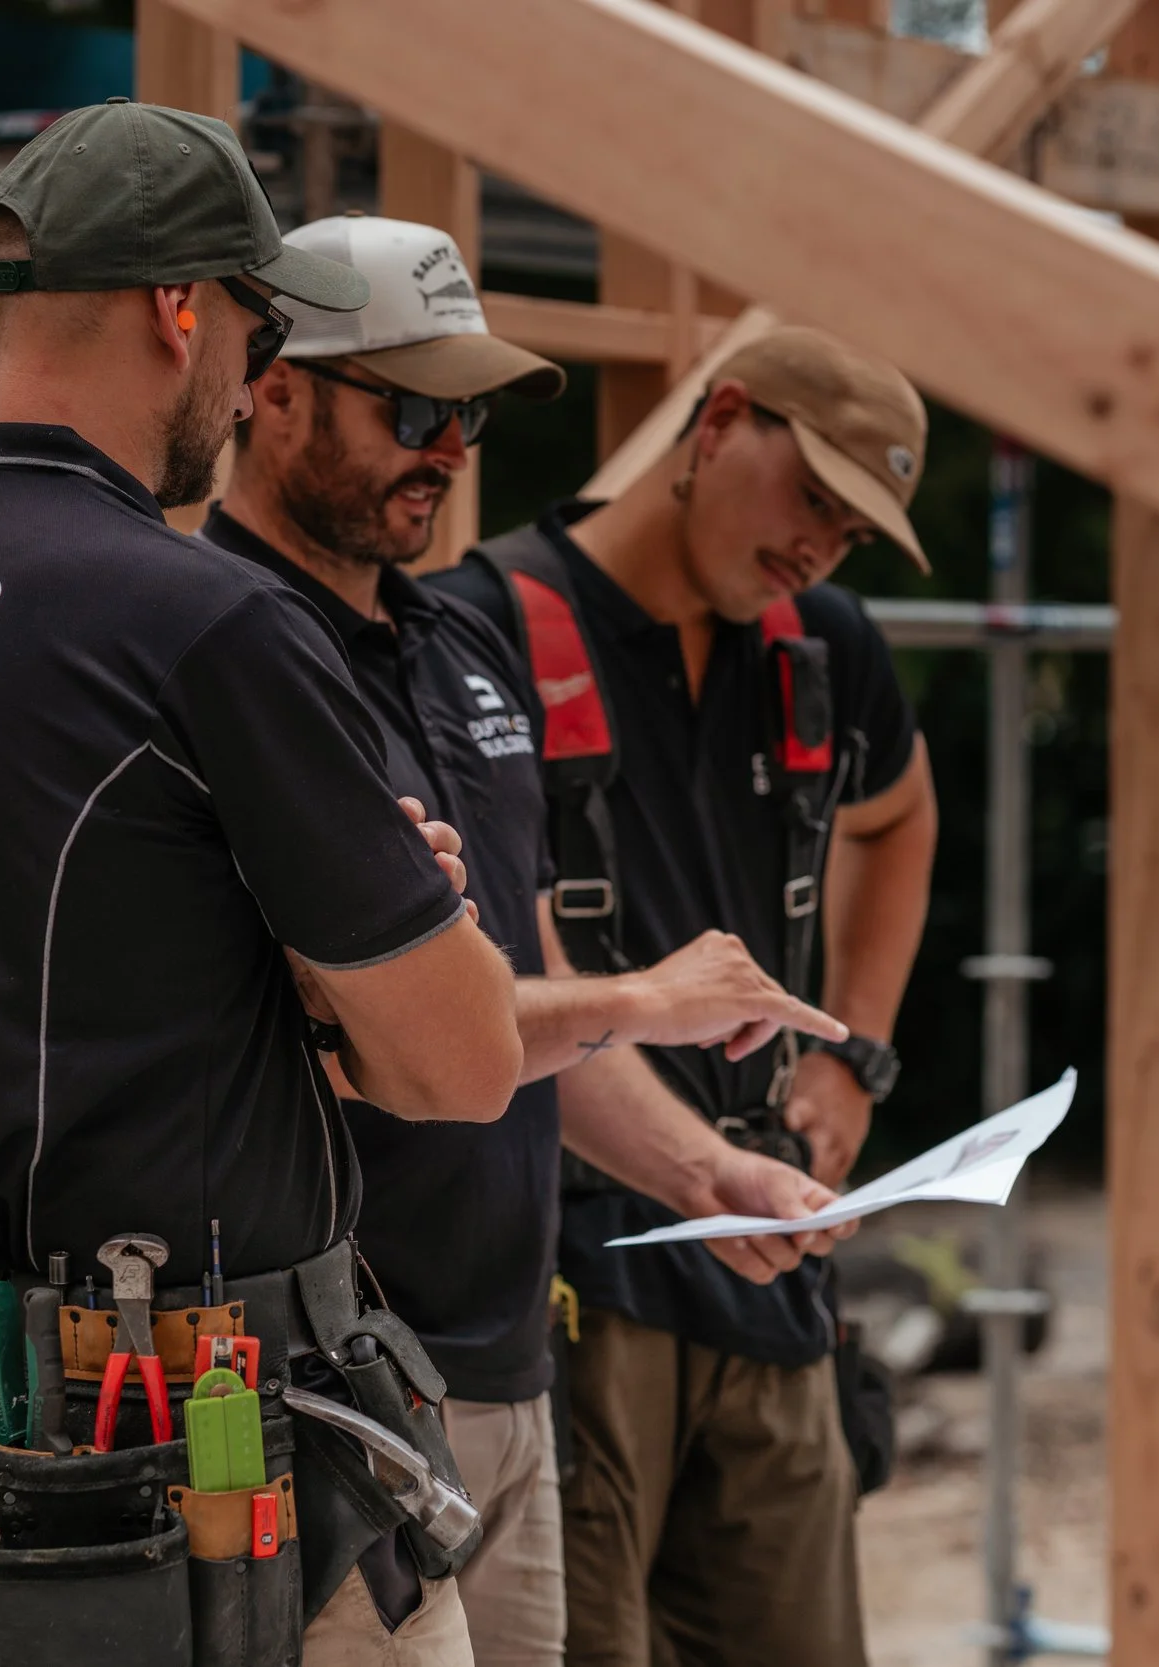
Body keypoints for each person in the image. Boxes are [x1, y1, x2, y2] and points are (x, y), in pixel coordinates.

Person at [0, 103, 525, 1667]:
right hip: (208, 1458)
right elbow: (465, 1066)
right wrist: (400, 920)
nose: (255, 380)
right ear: (178, 308)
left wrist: (300, 947)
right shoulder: (201, 621)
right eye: (256, 332)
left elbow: (79, 965)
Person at [199, 216, 858, 1667]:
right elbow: (385, 1033)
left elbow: (534, 1013)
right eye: (413, 407)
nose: (446, 449)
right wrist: (651, 994)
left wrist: (710, 1170)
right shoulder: (225, 654)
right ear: (275, 384)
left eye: (470, 412)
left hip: (505, 1371)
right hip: (330, 1384)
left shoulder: (463, 649)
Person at [432, 325, 942, 1667]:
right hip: (574, 1278)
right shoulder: (481, 632)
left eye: (855, 527)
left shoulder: (820, 649)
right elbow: (503, 985)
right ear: (717, 424)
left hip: (766, 1254)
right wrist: (699, 1166)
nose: (823, 545)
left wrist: (853, 1060)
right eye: (813, 495)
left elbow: (902, 818)